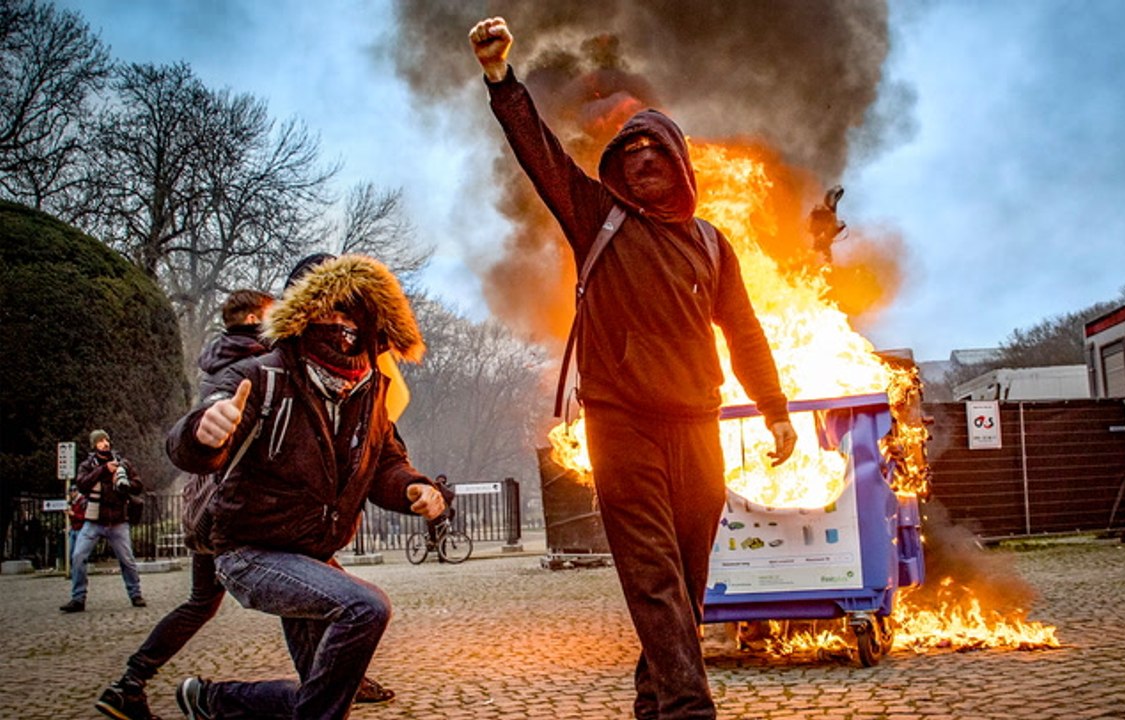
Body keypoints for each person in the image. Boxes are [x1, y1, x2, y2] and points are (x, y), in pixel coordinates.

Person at [469, 18, 798, 719]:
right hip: (622, 423)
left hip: (699, 424)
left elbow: (743, 329)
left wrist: (773, 408)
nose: (643, 157)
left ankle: (655, 703)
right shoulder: (596, 218)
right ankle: (689, 709)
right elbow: (543, 156)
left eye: (656, 148)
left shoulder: (713, 244)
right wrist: (503, 81)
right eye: (631, 149)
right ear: (617, 164)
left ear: (679, 164)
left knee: (689, 577)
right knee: (652, 576)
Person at [165, 254, 450, 720]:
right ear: (301, 312)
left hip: (312, 555)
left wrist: (414, 489)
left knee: (322, 696)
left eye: (349, 311)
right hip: (249, 551)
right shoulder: (262, 374)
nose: (340, 324)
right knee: (365, 608)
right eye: (327, 311)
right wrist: (204, 431)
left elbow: (386, 464)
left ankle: (212, 701)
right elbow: (196, 432)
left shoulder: (372, 388)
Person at [95, 289, 273, 720]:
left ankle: (129, 683)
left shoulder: (220, 358)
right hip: (229, 505)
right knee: (314, 581)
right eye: (271, 315)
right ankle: (336, 677)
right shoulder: (249, 364)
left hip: (206, 502)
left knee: (200, 603)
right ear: (252, 318)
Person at [61, 429, 146, 613]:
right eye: (100, 441)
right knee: (78, 557)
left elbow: (138, 485)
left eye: (106, 439)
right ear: (94, 445)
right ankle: (78, 598)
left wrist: (125, 484)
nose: (105, 443)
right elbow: (82, 484)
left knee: (127, 560)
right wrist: (102, 470)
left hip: (118, 520)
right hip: (94, 520)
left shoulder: (123, 463)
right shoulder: (87, 465)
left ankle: (135, 594)